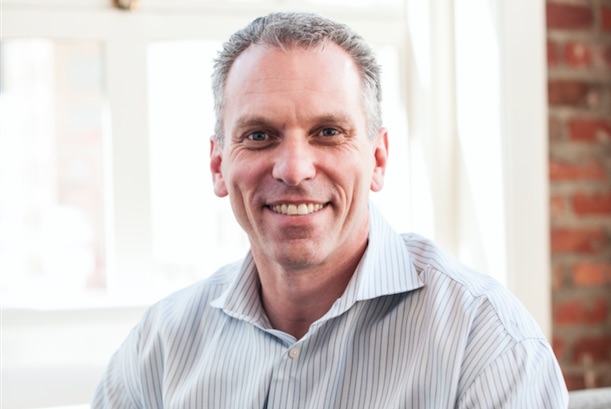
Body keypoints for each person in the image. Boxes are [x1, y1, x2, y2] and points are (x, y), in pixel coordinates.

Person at [93, 12, 568, 408]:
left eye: (328, 133)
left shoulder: (487, 343)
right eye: (259, 135)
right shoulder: (160, 348)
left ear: (378, 159)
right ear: (219, 166)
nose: (294, 169)